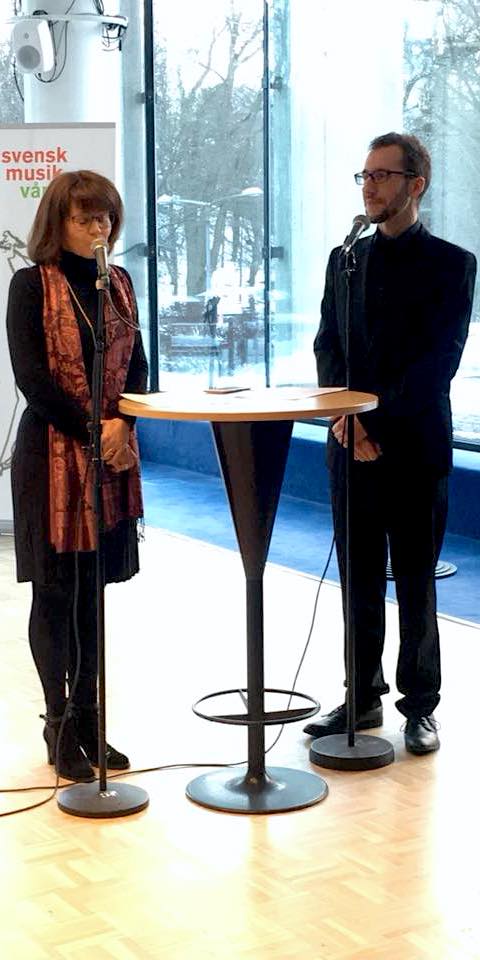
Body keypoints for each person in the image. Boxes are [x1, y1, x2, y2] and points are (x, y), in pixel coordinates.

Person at [304, 132, 476, 754]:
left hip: (414, 446)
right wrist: (345, 421)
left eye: (382, 175)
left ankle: (420, 706)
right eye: (365, 175)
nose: (370, 185)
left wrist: (375, 422)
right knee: (357, 580)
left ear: (415, 184)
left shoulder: (453, 265)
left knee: (414, 582)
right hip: (350, 444)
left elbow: (439, 362)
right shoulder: (345, 258)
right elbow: (328, 345)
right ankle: (362, 696)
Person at [6, 170, 148, 781]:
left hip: (110, 458)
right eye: (86, 218)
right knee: (57, 594)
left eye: (106, 218)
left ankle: (92, 720)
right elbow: (32, 381)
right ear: (56, 224)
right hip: (51, 458)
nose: (100, 228)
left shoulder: (119, 284)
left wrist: (123, 425)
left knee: (94, 596)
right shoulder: (30, 285)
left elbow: (139, 366)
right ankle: (58, 724)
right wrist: (98, 429)